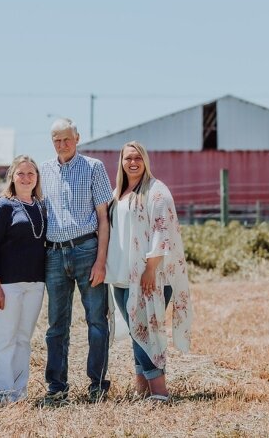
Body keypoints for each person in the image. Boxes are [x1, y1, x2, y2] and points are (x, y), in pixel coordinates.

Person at [106, 141, 193, 402]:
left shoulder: (156, 192)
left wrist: (150, 269)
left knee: (147, 331)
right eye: (127, 158)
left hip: (149, 276)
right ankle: (142, 389)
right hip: (121, 276)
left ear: (145, 160)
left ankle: (159, 392)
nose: (132, 162)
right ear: (121, 162)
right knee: (137, 331)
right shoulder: (118, 192)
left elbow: (162, 231)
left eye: (137, 158)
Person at [39, 118, 113, 405]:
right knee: (56, 325)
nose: (62, 144)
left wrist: (101, 261)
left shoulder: (93, 168)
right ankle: (56, 387)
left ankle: (97, 384)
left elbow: (104, 219)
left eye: (67, 139)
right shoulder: (43, 171)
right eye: (57, 140)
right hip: (54, 254)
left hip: (86, 250)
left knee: (96, 321)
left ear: (77, 138)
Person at [0, 155, 46, 405]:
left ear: (37, 178)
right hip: (7, 285)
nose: (26, 178)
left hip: (35, 285)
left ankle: (20, 392)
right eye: (20, 173)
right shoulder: (3, 206)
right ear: (12, 177)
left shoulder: (40, 206)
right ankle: (3, 393)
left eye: (31, 173)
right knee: (5, 339)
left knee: (23, 338)